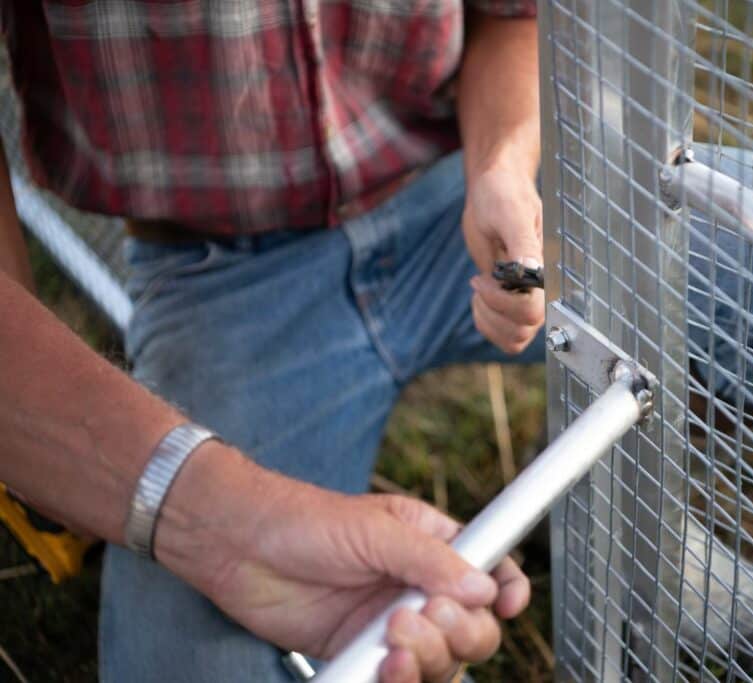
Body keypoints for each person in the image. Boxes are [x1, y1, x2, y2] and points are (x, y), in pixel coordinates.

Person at [1, 1, 545, 681]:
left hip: (457, 192)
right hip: (225, 284)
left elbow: (512, 17)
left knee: (709, 266)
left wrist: (503, 165)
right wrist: (229, 523)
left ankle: (645, 543)